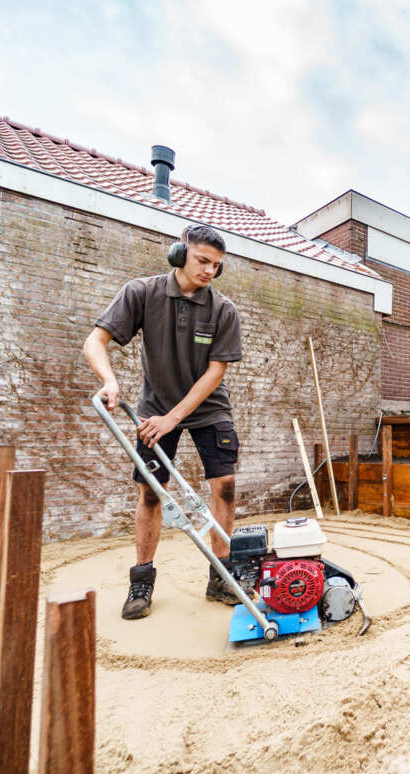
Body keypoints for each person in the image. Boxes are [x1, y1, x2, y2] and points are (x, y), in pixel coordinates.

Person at [84, 224, 244, 619]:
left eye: (217, 265)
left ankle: (220, 576)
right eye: (203, 260)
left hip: (207, 409)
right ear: (179, 254)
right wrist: (109, 379)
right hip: (155, 408)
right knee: (152, 492)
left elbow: (214, 373)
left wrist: (175, 418)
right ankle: (141, 581)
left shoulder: (223, 310)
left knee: (224, 486)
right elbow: (95, 341)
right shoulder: (142, 293)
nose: (209, 270)